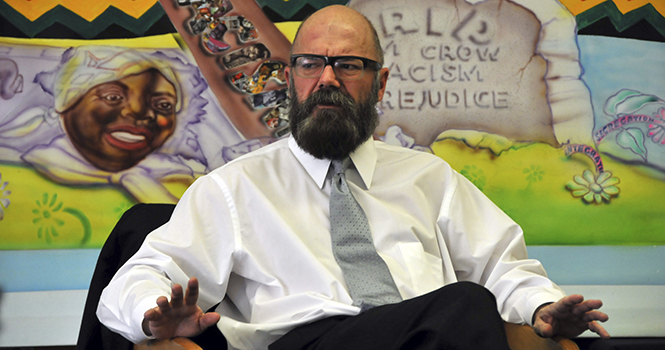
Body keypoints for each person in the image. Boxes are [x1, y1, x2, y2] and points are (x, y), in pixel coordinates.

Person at [97, 5, 609, 350]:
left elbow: (503, 265)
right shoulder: (234, 188)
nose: (327, 80)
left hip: (421, 335)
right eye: (310, 65)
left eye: (348, 65)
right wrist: (151, 312)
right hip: (304, 342)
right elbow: (142, 273)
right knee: (465, 307)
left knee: (468, 308)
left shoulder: (429, 178)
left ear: (379, 82)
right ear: (291, 77)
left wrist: (541, 306)